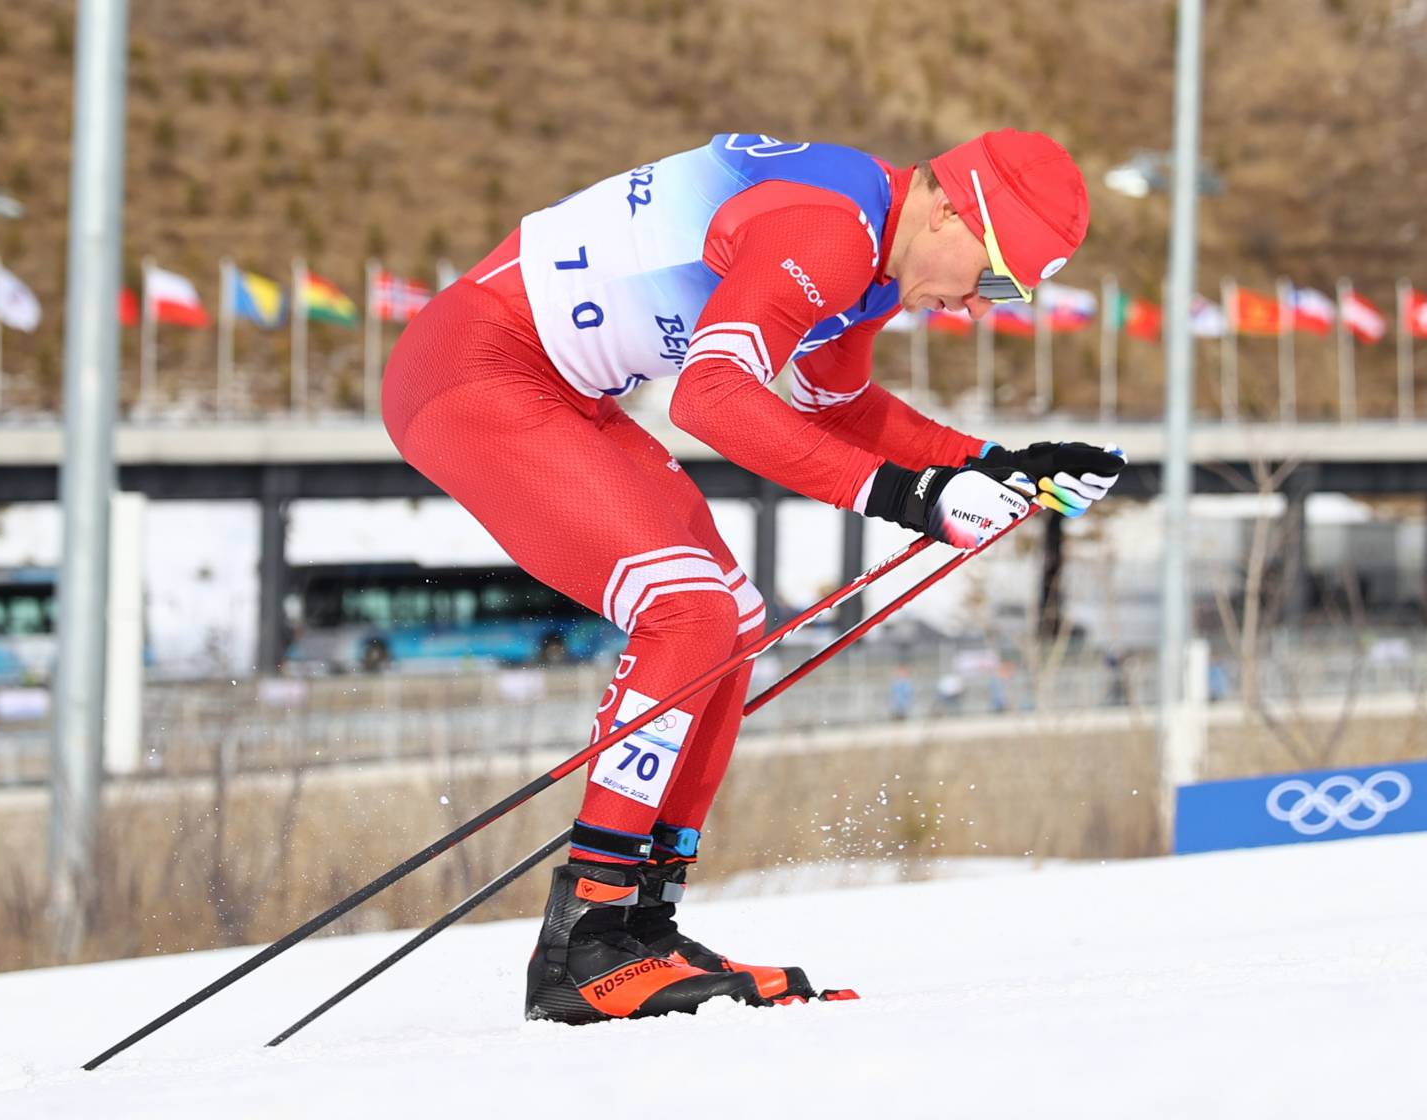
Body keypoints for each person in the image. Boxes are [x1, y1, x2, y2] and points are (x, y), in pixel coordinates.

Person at [381, 130, 1126, 1025]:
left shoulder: (875, 258)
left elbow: (835, 407)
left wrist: (999, 462)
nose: (976, 306)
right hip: (479, 369)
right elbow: (711, 397)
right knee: (686, 612)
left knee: (730, 621)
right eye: (995, 279)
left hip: (559, 387)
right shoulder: (833, 231)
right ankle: (587, 935)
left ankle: (639, 931)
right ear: (951, 209)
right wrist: (913, 498)